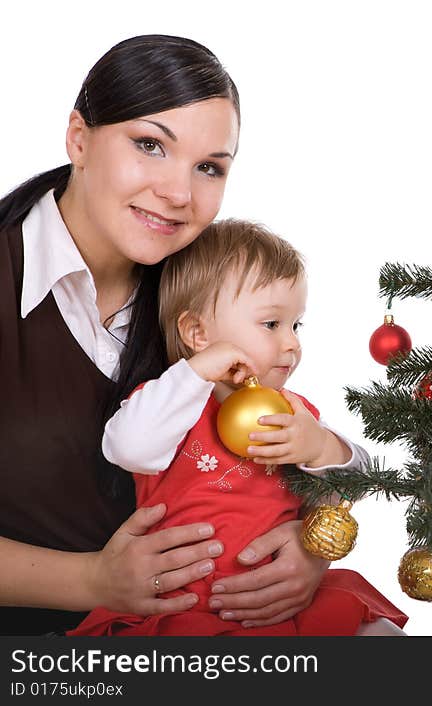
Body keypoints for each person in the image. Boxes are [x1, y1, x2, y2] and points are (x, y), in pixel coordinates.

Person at [0, 35, 356, 635]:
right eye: (149, 145)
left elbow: (278, 453)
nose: (179, 195)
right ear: (79, 139)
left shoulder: (202, 288)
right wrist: (91, 581)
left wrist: (310, 542)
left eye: (209, 167)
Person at [68, 220, 407, 635]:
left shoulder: (291, 411)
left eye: (296, 325)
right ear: (198, 333)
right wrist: (195, 374)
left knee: (380, 632)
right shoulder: (169, 405)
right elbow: (127, 448)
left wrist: (320, 447)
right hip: (184, 607)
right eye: (271, 324)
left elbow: (355, 482)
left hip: (281, 603)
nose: (292, 343)